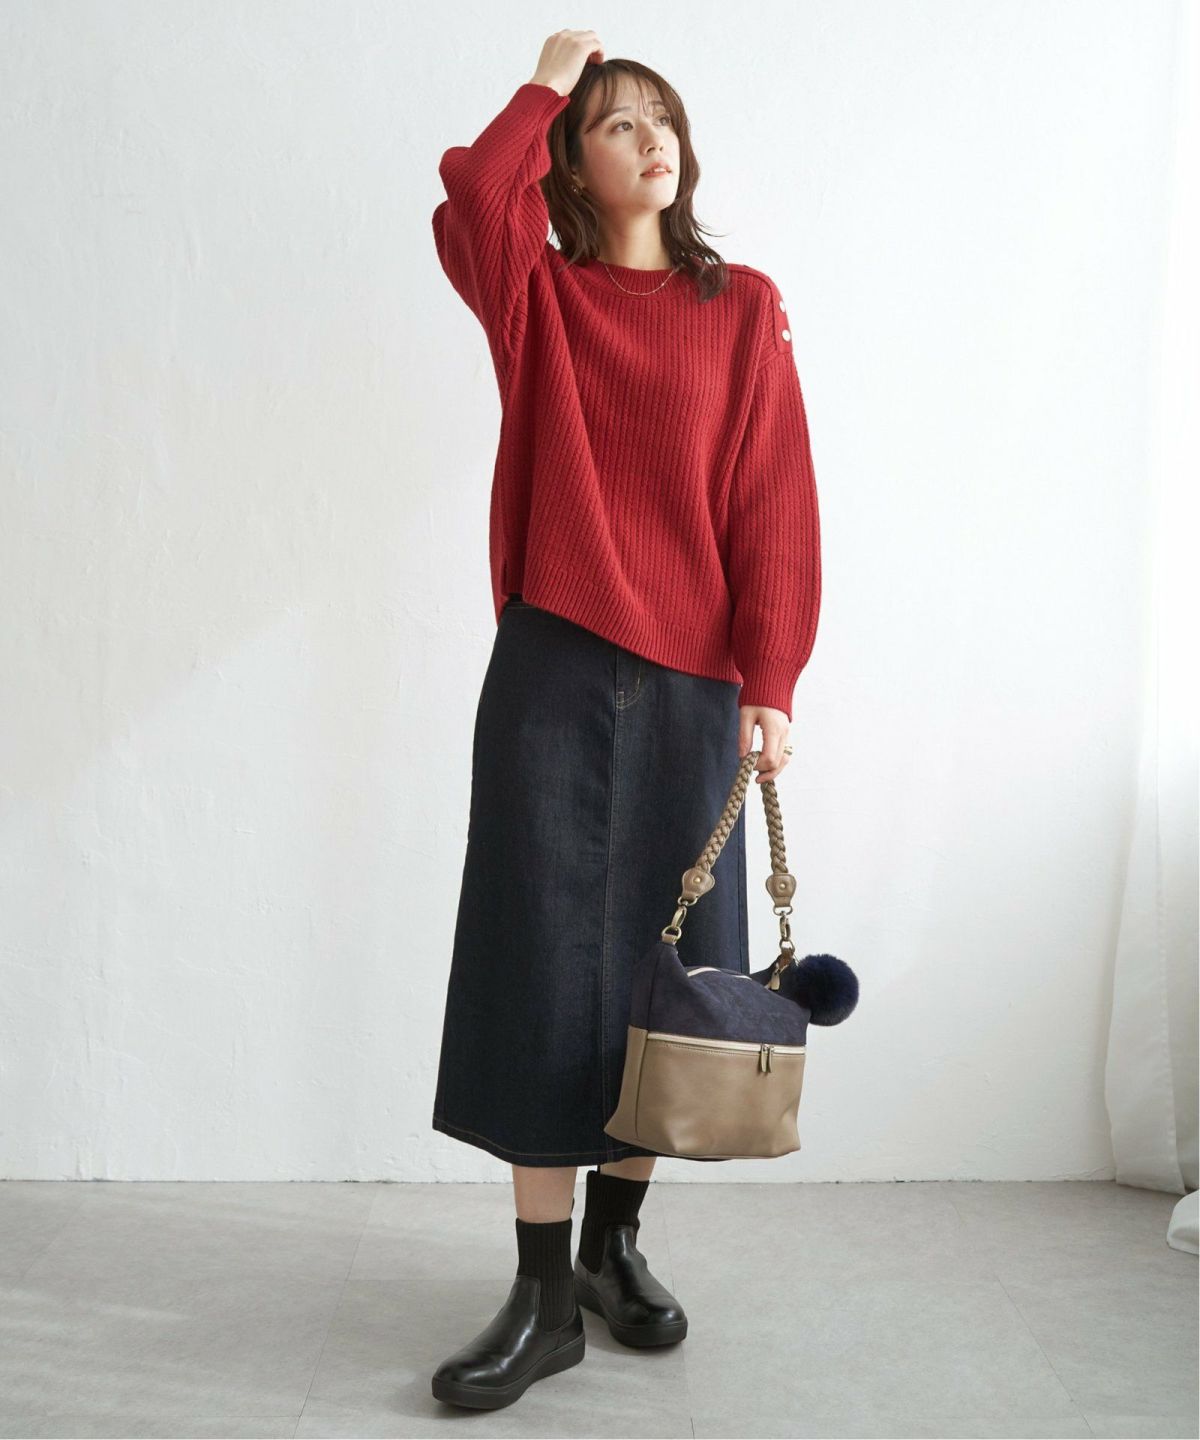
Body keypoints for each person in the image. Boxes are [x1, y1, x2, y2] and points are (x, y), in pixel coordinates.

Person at [428, 29, 821, 1410]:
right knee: (541, 969)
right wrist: (548, 77)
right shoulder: (534, 293)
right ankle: (541, 1294)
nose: (652, 140)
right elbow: (471, 194)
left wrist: (771, 676)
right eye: (615, 124)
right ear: (570, 165)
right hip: (551, 665)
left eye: (663, 119)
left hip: (695, 686)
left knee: (669, 977)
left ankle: (614, 1247)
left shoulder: (743, 306)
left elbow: (771, 494)